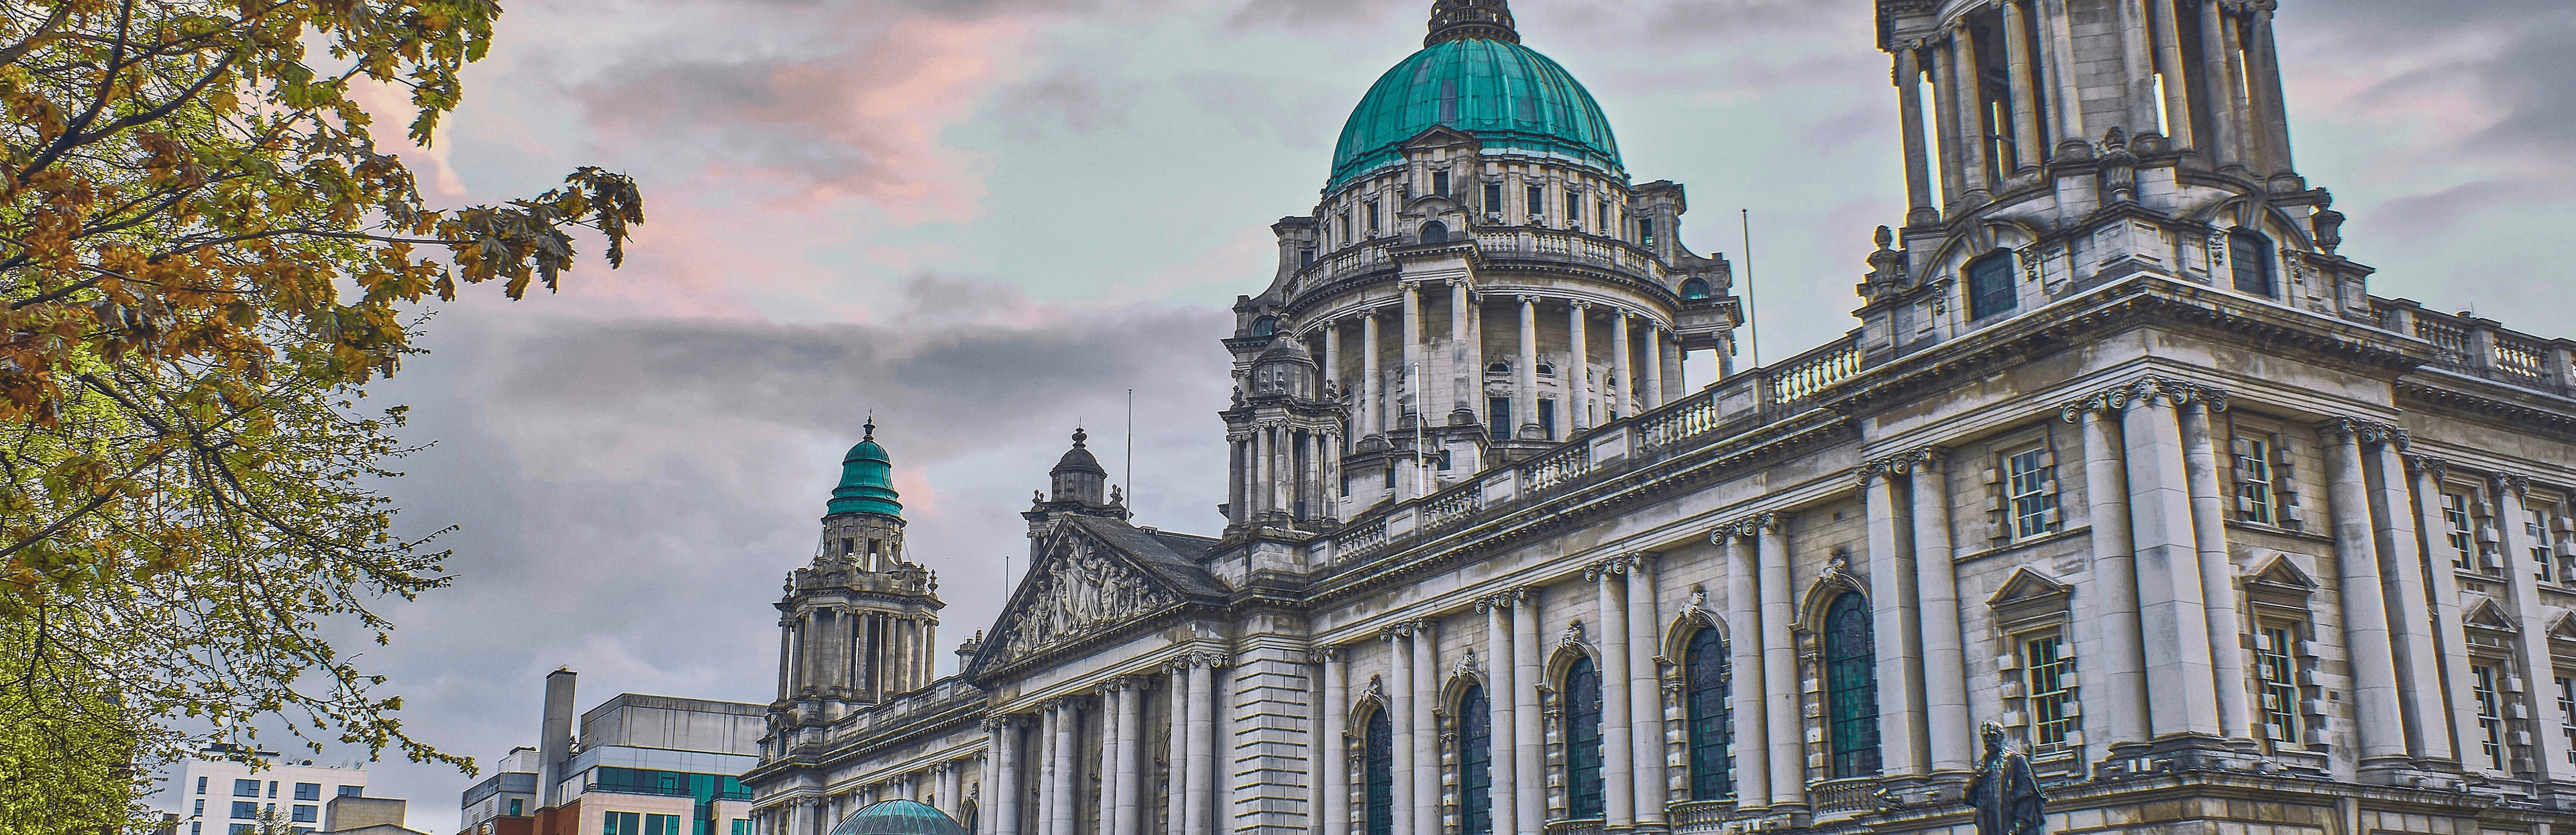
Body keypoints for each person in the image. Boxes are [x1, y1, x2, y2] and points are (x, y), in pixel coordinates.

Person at [1966, 721, 2045, 835]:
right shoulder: (1980, 766)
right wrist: (1974, 783)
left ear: (2001, 737)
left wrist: (2020, 824)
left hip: (2009, 823)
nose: (1989, 740)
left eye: (1993, 735)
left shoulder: (2015, 760)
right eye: (1985, 736)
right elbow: (1969, 799)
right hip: (1987, 824)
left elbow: (2027, 795)